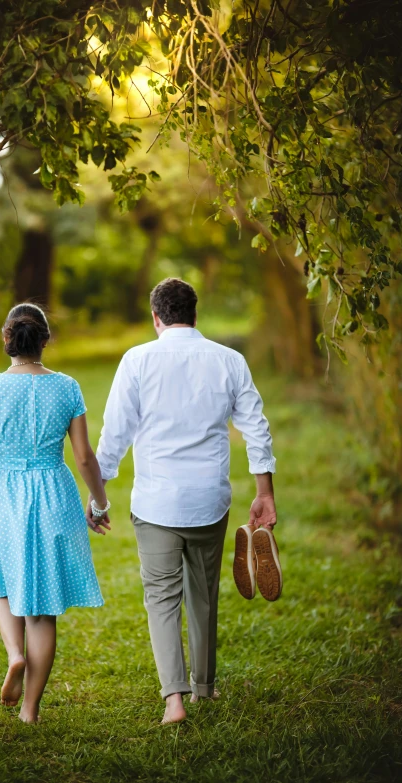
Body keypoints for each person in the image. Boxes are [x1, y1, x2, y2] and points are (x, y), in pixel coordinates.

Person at [91, 278, 277, 725]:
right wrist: (264, 491)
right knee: (204, 593)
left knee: (161, 596)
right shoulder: (229, 361)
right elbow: (256, 427)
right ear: (195, 315)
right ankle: (204, 689)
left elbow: (114, 433)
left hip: (155, 501)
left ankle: (173, 699)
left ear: (156, 318)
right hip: (208, 500)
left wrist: (99, 497)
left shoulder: (136, 360)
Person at [0, 303, 111, 723]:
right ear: (46, 340)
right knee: (43, 609)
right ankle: (30, 710)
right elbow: (85, 457)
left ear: (7, 339)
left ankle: (14, 655)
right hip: (54, 493)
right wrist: (99, 503)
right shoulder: (67, 387)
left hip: (3, 495)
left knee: (4, 586)